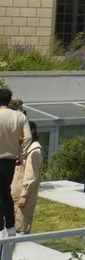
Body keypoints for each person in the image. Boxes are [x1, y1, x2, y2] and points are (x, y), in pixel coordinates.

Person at [0, 87, 32, 237]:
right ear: (10, 100)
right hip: (10, 160)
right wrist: (21, 154)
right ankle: (10, 226)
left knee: (3, 191)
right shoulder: (19, 116)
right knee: (5, 190)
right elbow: (28, 138)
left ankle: (3, 227)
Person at [12, 121, 43, 234]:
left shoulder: (34, 150)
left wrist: (24, 195)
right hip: (14, 193)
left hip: (23, 196)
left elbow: (31, 175)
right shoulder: (22, 147)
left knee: (20, 227)